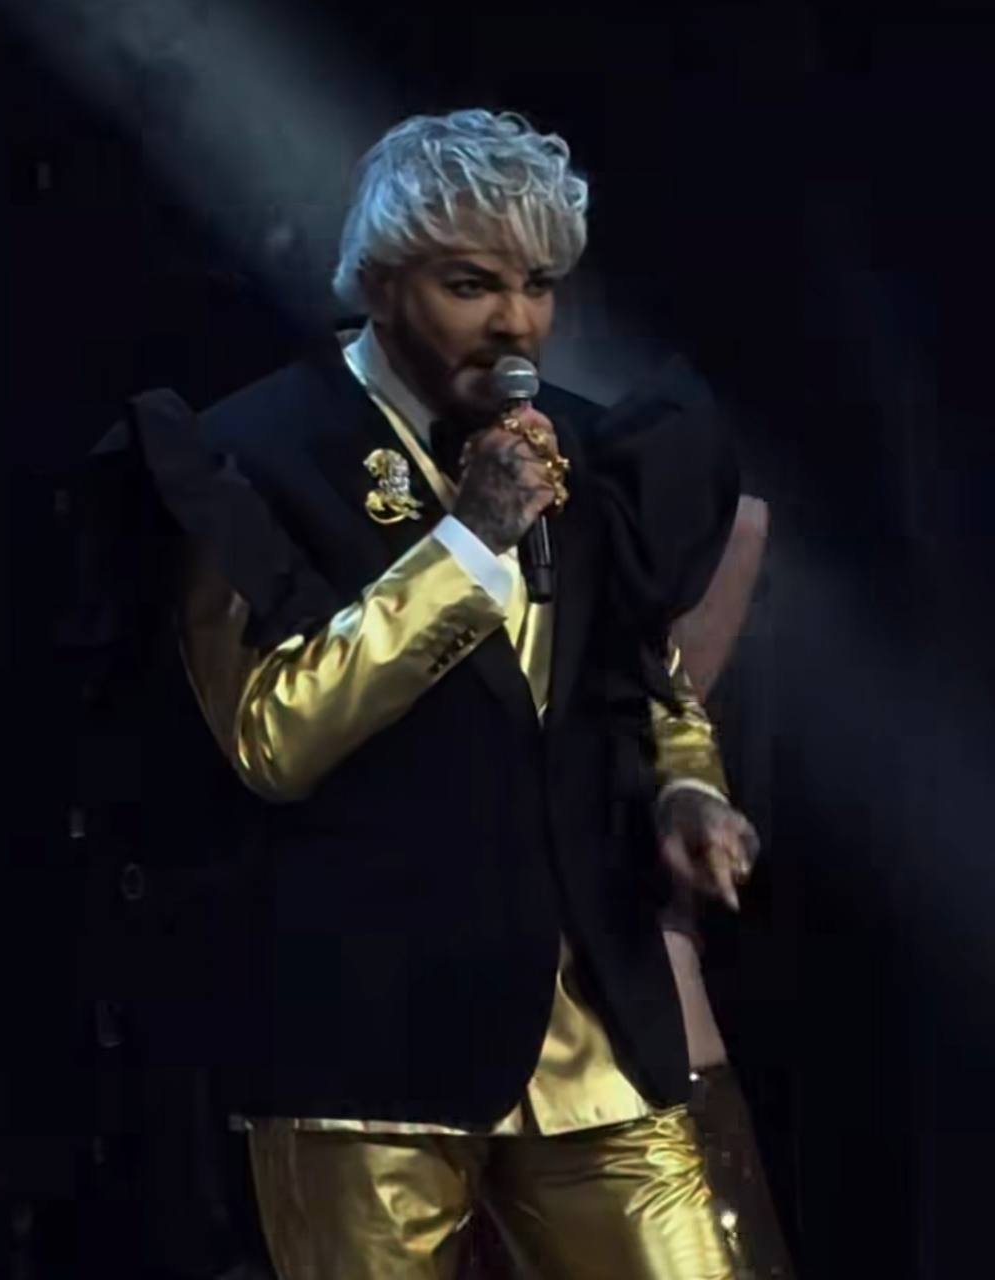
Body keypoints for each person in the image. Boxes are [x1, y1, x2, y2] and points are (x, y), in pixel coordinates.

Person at [132, 108, 762, 1279]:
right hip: (363, 1041)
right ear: (378, 282)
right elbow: (272, 734)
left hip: (589, 1029)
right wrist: (467, 543)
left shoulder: (581, 446)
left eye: (537, 285)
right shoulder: (250, 455)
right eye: (471, 284)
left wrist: (687, 789)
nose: (515, 321)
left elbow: (646, 683)